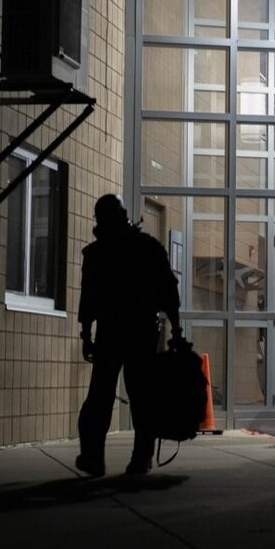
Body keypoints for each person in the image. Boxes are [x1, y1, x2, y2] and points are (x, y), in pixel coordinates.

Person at [76, 194, 183, 477]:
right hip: (142, 334)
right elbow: (169, 292)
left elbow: (88, 301)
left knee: (100, 398)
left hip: (113, 335)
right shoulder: (147, 248)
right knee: (141, 396)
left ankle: (93, 457)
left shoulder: (96, 255)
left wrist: (86, 335)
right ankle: (140, 458)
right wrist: (177, 328)